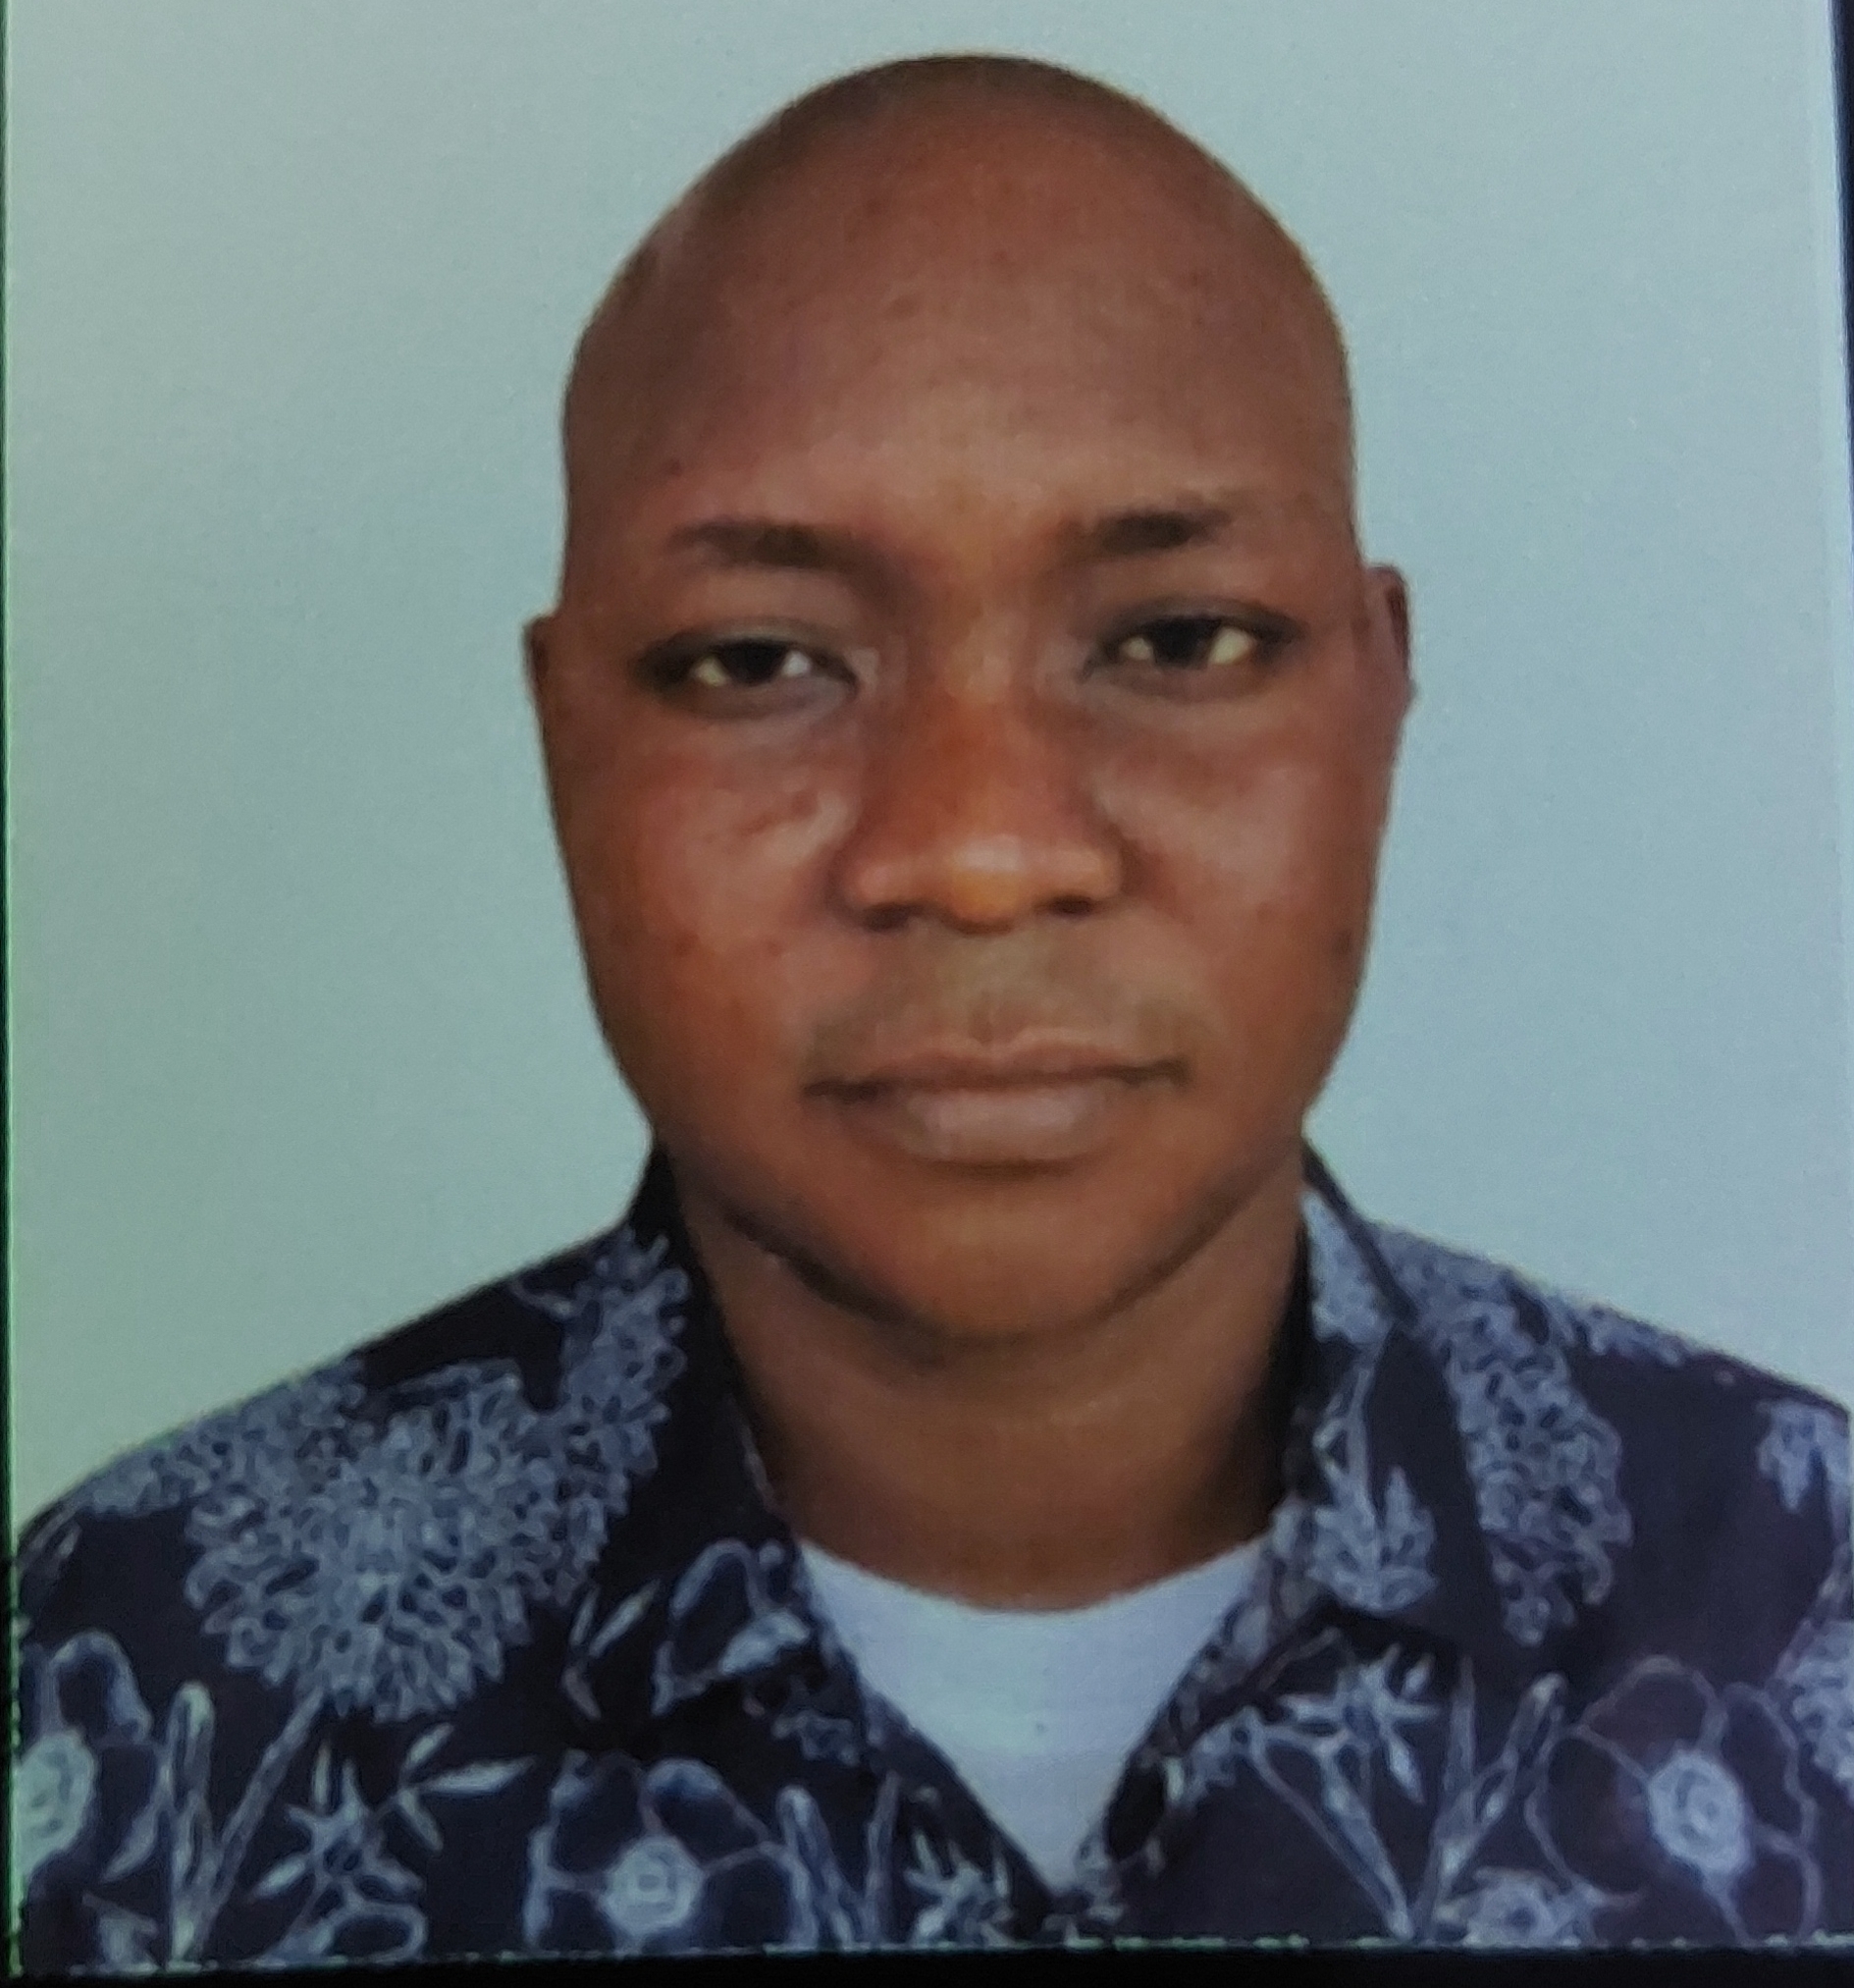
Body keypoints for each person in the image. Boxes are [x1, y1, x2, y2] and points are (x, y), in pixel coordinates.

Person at [13, 54, 1852, 1965]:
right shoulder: (118, 1693)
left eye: (1178, 639)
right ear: (565, 740)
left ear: (1378, 699)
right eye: (756, 660)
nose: (978, 850)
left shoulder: (1800, 1603)